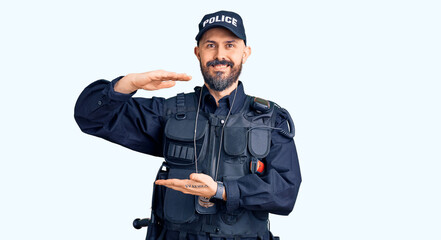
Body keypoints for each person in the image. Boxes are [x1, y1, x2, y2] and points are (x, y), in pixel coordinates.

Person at [74, 10, 301, 240]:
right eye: (210, 45)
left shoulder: (270, 120)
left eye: (230, 45)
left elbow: (286, 193)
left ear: (246, 53)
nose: (220, 55)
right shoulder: (170, 112)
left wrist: (222, 192)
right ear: (198, 52)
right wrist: (128, 83)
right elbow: (90, 116)